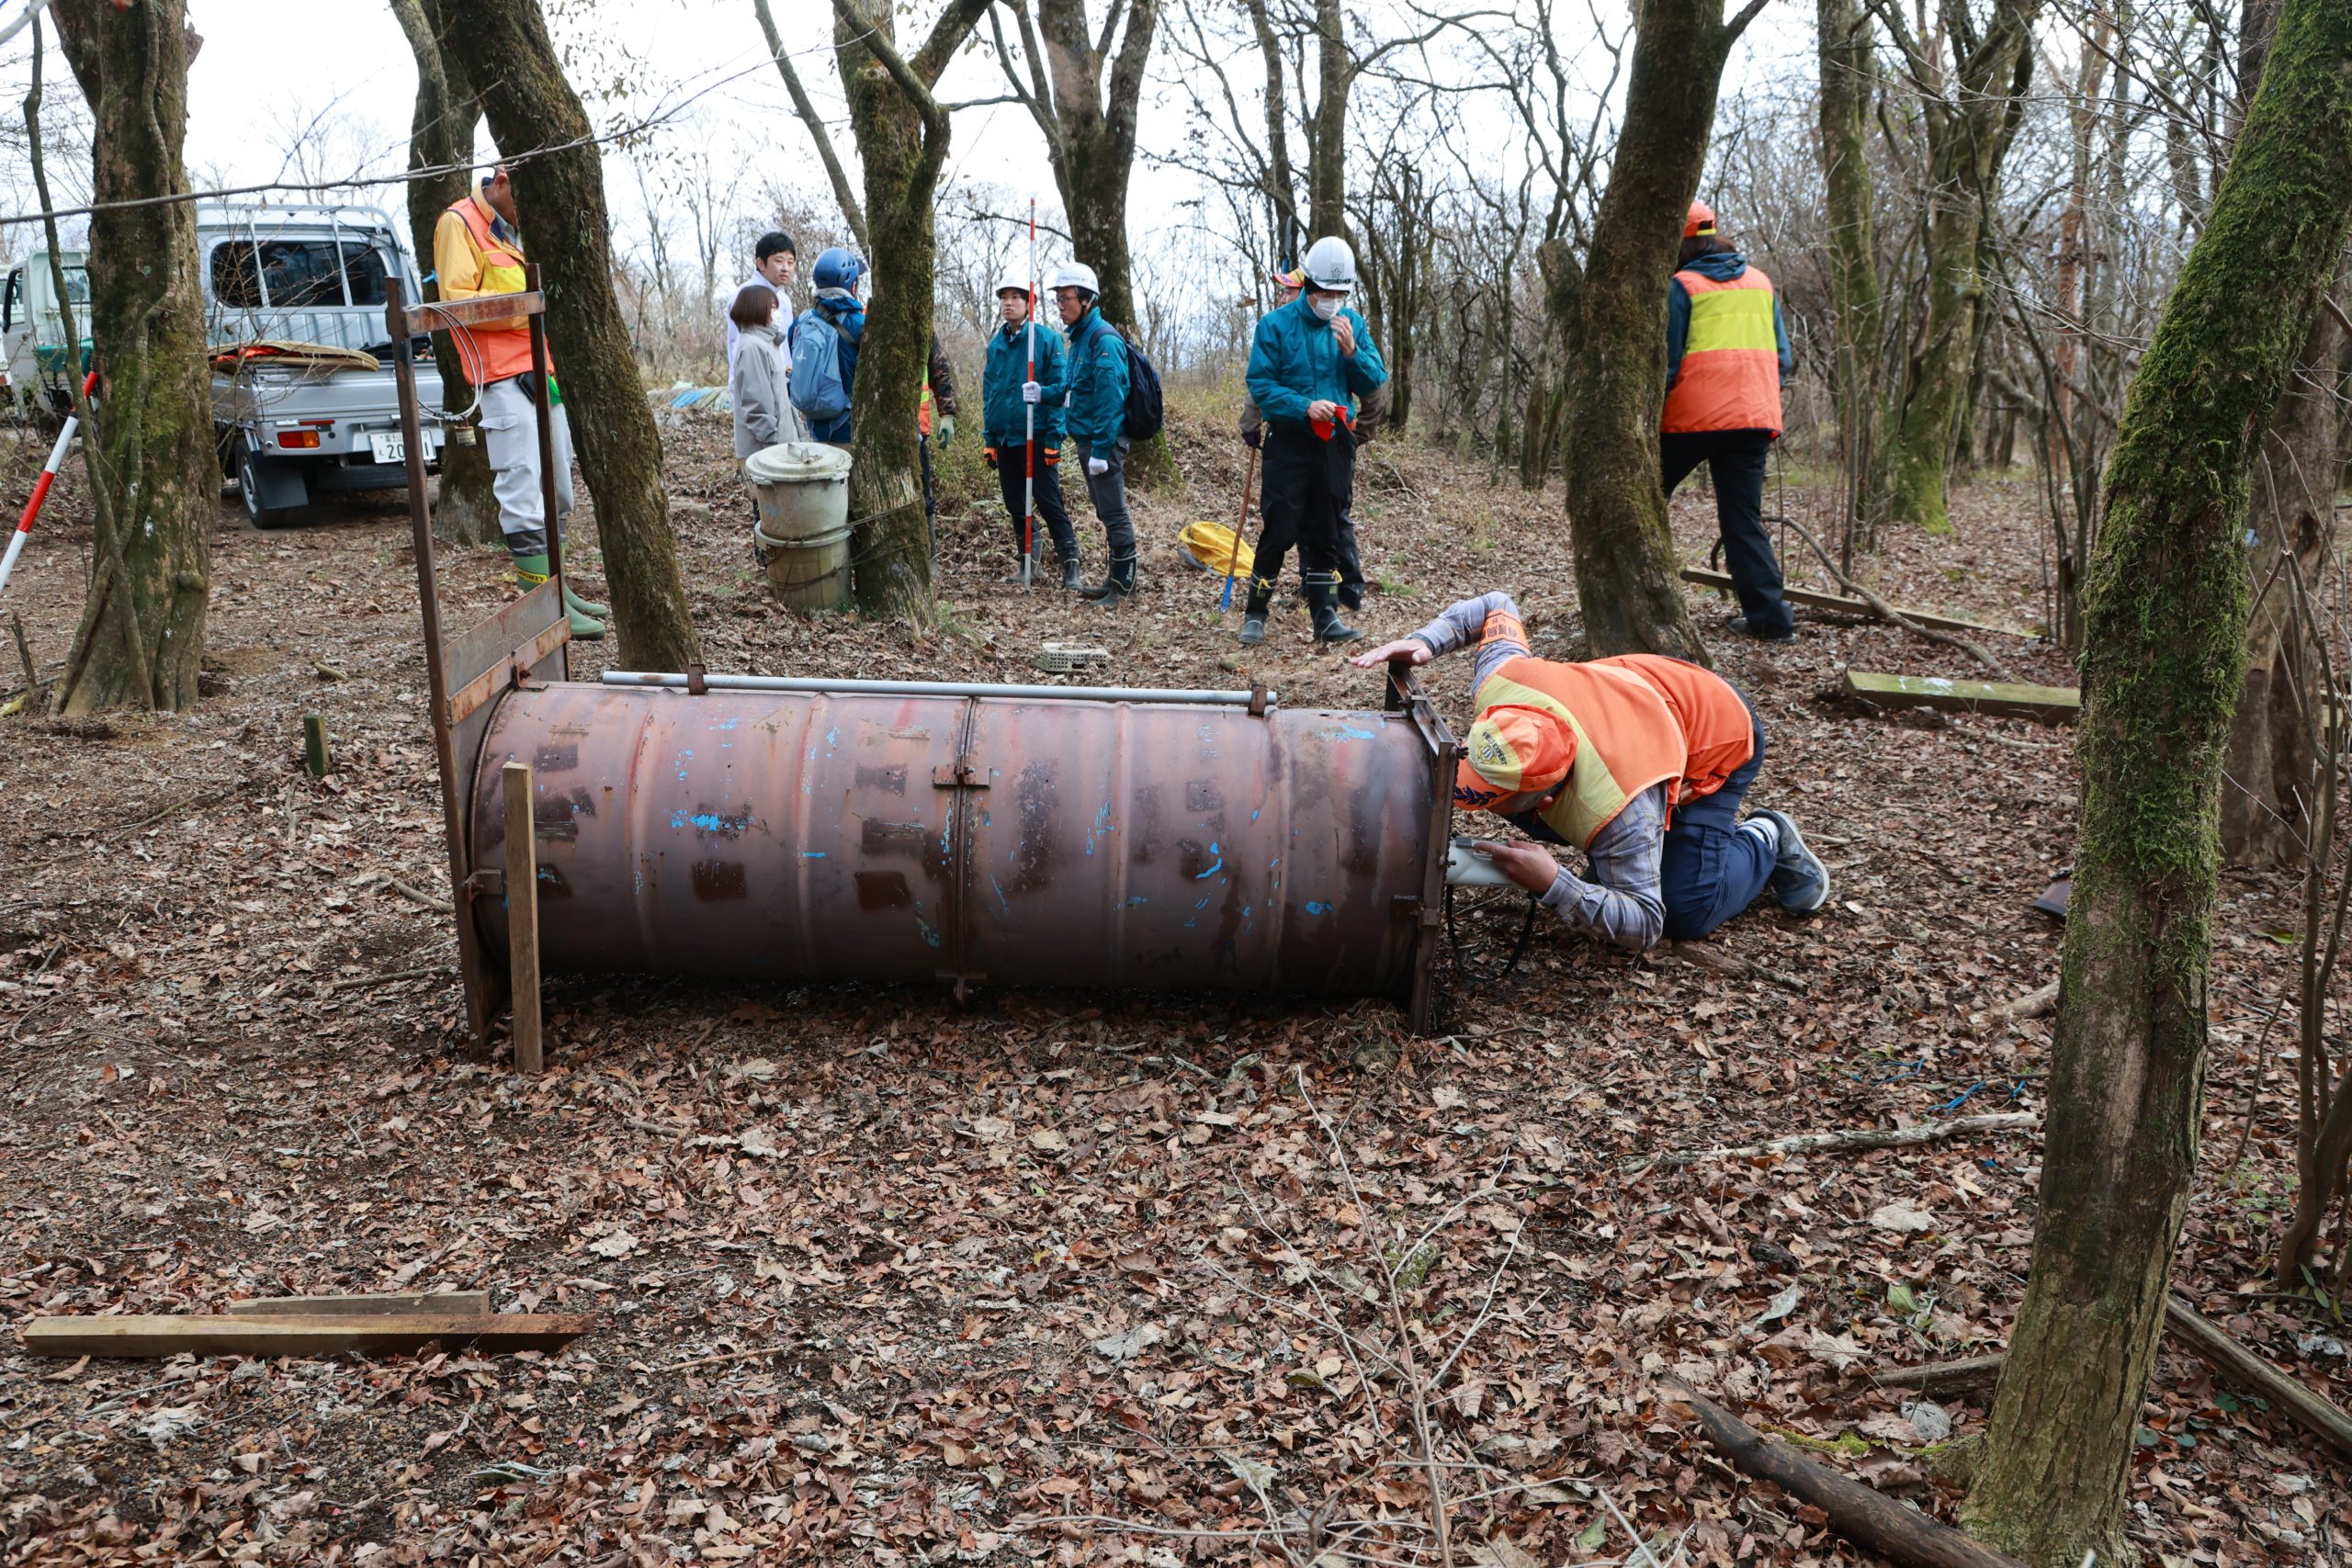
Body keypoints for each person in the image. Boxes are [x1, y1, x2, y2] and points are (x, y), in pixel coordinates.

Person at [1351, 591, 1830, 951]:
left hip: (1716, 733)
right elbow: (1496, 606)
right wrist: (1425, 642)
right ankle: (1644, 856)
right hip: (1649, 694)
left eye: (1501, 797)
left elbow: (1645, 922)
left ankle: (1766, 837)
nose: (1484, 802)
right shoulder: (1503, 683)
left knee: (1687, 910)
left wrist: (1551, 882)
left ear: (1548, 797)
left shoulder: (1622, 805)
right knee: (1615, 866)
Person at [432, 164, 605, 639]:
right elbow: (456, 304)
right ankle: (541, 607)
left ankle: (559, 587)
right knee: (524, 491)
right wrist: (525, 302)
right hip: (503, 379)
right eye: (522, 200)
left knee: (561, 491)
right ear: (502, 180)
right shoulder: (459, 222)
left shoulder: (521, 231)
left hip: (543, 374)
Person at [1240, 235, 1385, 645]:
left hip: (1336, 440)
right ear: (1308, 286)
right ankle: (1256, 611)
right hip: (1290, 440)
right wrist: (1303, 406)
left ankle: (1325, 617)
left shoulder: (1352, 324)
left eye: (1340, 293)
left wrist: (1352, 354)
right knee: (1281, 524)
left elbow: (1375, 380)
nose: (1332, 300)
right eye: (1325, 292)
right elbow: (1261, 384)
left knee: (1328, 526)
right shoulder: (1275, 325)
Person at [1666, 201, 1795, 643]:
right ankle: (1771, 621)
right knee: (1743, 520)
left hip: (1692, 418)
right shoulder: (1760, 283)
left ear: (1680, 242)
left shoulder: (1682, 286)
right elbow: (1784, 358)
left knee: (1643, 498)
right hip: (1754, 419)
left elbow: (1667, 360)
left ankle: (1650, 598)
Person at [981, 270, 1077, 588]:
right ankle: (1029, 565)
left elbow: (1061, 390)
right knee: (1014, 503)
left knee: (1049, 502)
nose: (1008, 304)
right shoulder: (997, 345)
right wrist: (990, 438)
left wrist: (1054, 438)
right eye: (1004, 298)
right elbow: (990, 392)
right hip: (1007, 438)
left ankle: (1071, 567)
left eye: (1015, 298)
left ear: (1028, 302)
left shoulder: (1046, 340)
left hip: (1036, 437)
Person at [1053, 262, 1138, 604]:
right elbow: (1076, 389)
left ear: (1086, 300)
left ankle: (1125, 585)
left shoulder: (1102, 340)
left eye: (1066, 299)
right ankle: (1114, 579)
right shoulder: (1081, 339)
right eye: (1057, 300)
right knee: (1106, 510)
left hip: (1103, 443)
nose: (1060, 305)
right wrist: (1043, 393)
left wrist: (1102, 450)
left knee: (1114, 511)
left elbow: (1110, 400)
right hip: (1088, 441)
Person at [788, 246, 865, 446]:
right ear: (853, 286)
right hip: (848, 430)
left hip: (815, 431)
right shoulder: (860, 325)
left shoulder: (800, 323)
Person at [729, 285, 789, 463]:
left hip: (779, 447)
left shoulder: (768, 344)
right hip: (765, 455)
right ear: (756, 308)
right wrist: (774, 449)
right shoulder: (752, 347)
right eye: (772, 307)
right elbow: (757, 406)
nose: (776, 312)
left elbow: (781, 399)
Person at [725, 231, 796, 372]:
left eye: (790, 262)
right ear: (761, 264)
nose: (785, 268)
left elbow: (786, 348)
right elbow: (737, 349)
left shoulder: (784, 300)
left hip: (783, 385)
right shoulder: (745, 297)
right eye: (779, 261)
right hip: (757, 386)